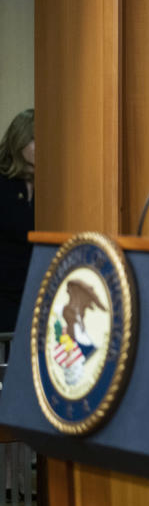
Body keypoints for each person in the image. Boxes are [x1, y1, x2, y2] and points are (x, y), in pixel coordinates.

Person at [0, 109, 35, 336]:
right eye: (35, 139)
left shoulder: (57, 185)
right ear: (19, 142)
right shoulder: (3, 184)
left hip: (37, 295)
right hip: (5, 297)